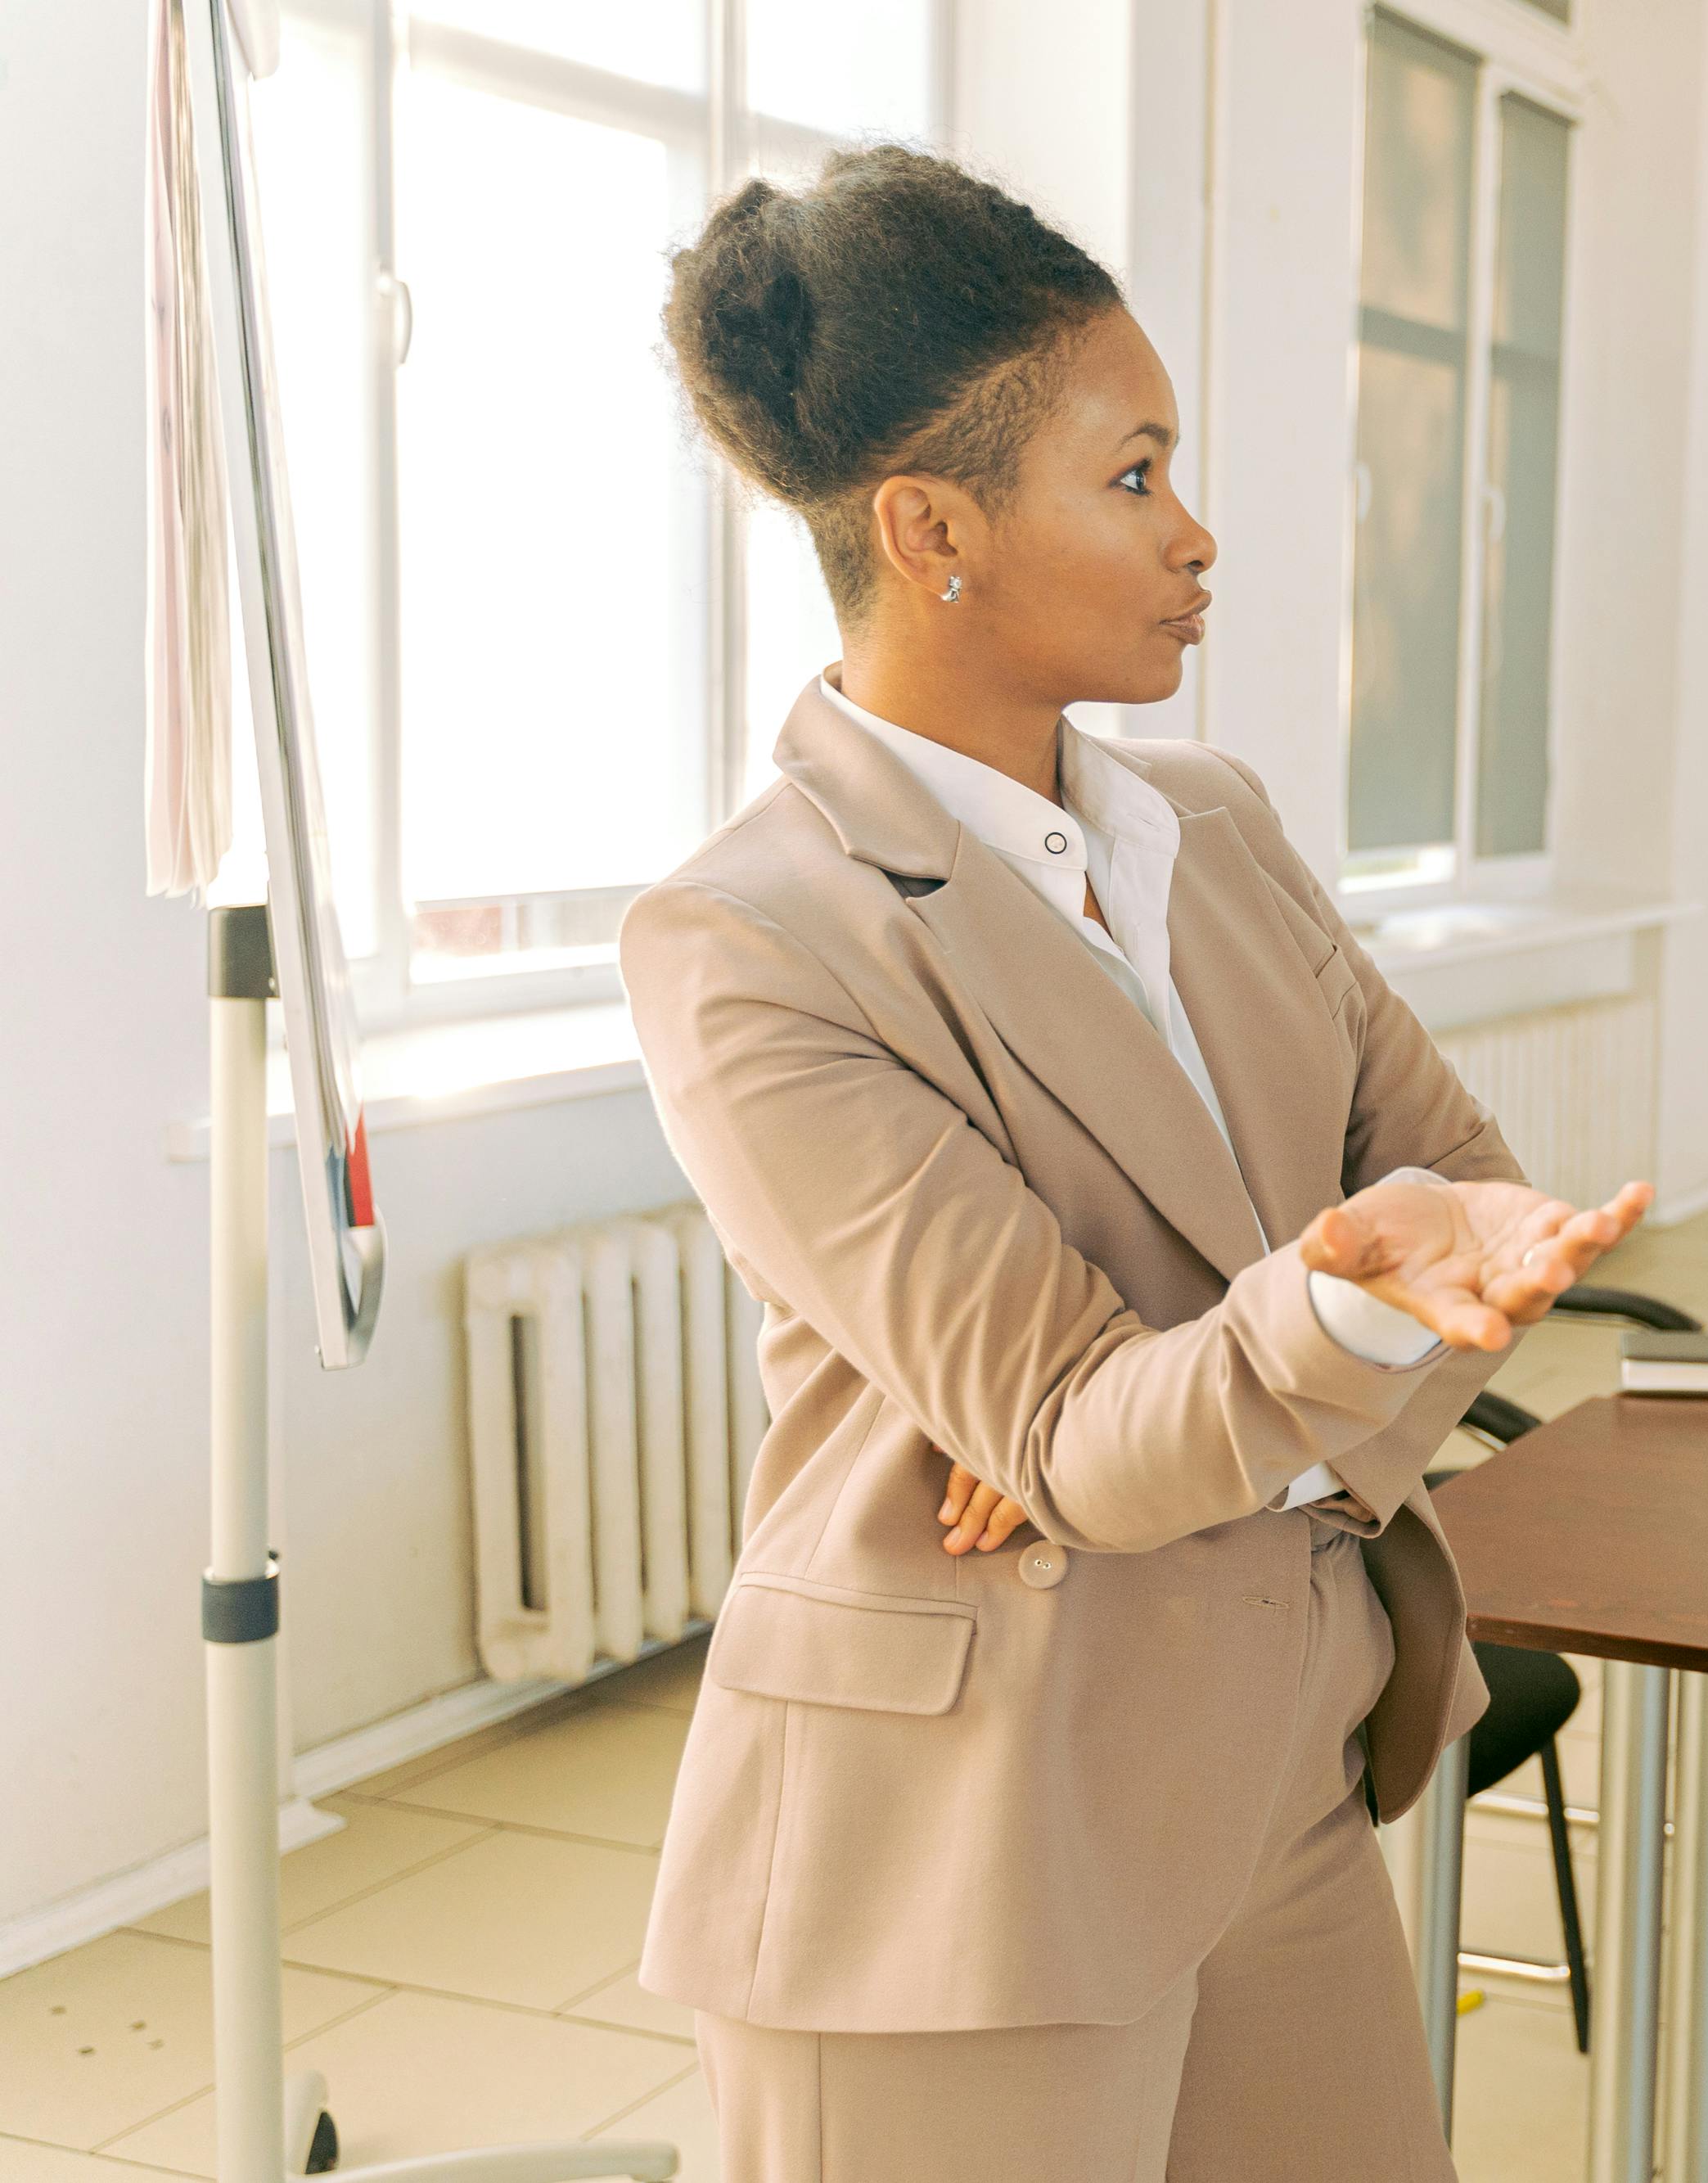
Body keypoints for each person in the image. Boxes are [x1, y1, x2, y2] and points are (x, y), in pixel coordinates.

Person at [628, 147, 1647, 2181]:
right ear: (929, 529)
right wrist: (1276, 1340)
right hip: (962, 1841)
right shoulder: (752, 938)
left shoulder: (1216, 825)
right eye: (1131, 476)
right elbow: (1102, 1427)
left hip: (1277, 1750)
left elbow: (1469, 1207)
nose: (1195, 534)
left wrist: (1200, 1401)